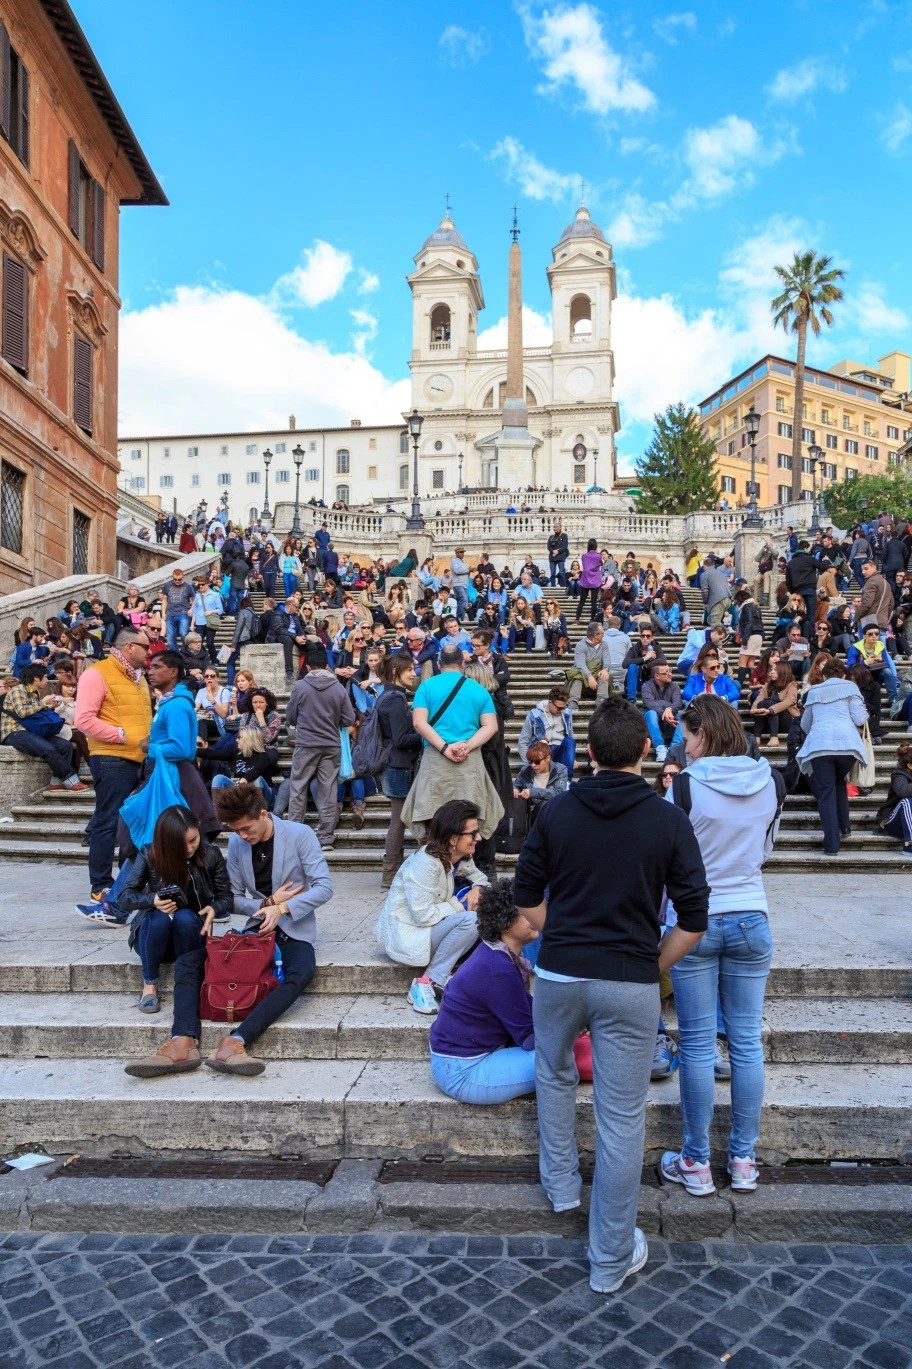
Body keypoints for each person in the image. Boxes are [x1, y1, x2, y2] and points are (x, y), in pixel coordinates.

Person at [513, 699, 709, 1294]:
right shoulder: (668, 819)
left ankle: (562, 1186)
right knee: (621, 1121)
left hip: (561, 974)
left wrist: (564, 939)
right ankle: (608, 1260)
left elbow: (524, 898)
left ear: (589, 752)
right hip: (628, 980)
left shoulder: (557, 811)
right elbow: (694, 918)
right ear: (646, 751)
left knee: (551, 1074)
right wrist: (651, 963)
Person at [125, 784, 333, 1077]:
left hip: (294, 929)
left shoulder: (300, 835)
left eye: (246, 829)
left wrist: (283, 909)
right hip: (254, 929)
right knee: (188, 961)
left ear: (263, 813)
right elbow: (232, 898)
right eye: (235, 832)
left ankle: (235, 1041)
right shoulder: (237, 845)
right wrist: (268, 903)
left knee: (301, 973)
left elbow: (325, 887)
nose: (242, 837)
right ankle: (182, 1040)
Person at [659, 695, 779, 1198]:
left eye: (686, 738)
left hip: (696, 921)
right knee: (748, 1043)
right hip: (753, 913)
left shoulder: (684, 788)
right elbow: (766, 850)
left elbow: (667, 859)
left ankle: (697, 1161)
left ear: (702, 735)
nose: (683, 747)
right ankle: (744, 1159)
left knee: (700, 1045)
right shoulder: (769, 780)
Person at [429, 877, 539, 1103]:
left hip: (460, 1059)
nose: (535, 916)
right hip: (463, 1072)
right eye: (525, 912)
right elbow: (529, 1037)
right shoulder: (498, 969)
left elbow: (525, 1010)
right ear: (505, 924)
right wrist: (571, 1028)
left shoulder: (496, 955)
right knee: (561, 1063)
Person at [375, 798, 489, 1014]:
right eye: (472, 833)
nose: (479, 837)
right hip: (410, 933)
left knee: (485, 911)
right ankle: (426, 982)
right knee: (471, 920)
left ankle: (454, 975)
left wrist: (478, 889)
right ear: (453, 838)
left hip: (432, 927)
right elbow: (423, 916)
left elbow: (481, 878)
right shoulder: (425, 864)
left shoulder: (461, 856)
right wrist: (459, 904)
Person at [120, 805, 232, 1014]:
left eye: (193, 840)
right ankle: (150, 985)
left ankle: (188, 982)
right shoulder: (149, 853)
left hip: (191, 933)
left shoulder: (211, 855)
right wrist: (153, 899)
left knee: (184, 917)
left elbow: (226, 897)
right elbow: (124, 897)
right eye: (181, 845)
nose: (189, 848)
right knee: (159, 918)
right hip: (152, 935)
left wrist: (213, 908)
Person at [73, 628, 153, 919]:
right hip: (111, 759)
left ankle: (127, 882)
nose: (150, 651)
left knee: (133, 824)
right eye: (145, 646)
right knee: (107, 822)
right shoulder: (97, 674)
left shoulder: (139, 678)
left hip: (140, 759)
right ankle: (101, 886)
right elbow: (83, 719)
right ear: (129, 647)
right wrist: (122, 735)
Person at [401, 644, 503, 843]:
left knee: (434, 818)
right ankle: (463, 865)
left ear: (438, 664)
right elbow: (491, 727)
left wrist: (445, 747)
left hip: (436, 757)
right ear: (462, 664)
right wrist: (467, 746)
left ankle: (435, 863)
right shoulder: (479, 690)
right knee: (467, 819)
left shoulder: (426, 687)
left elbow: (418, 722)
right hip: (469, 760)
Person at [797, 657, 868, 855]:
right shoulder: (851, 687)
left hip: (820, 745)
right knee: (839, 781)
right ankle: (844, 826)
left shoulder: (814, 691)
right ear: (843, 674)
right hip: (847, 745)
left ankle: (832, 844)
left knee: (826, 790)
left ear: (823, 674)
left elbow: (805, 723)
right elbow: (860, 718)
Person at [286, 658, 356, 851]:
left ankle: (295, 836)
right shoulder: (339, 688)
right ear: (327, 667)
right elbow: (349, 719)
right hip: (331, 745)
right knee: (328, 790)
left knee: (298, 787)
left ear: (308, 667)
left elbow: (291, 717)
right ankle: (326, 838)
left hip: (306, 744)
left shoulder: (300, 686)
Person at [375, 654, 423, 888]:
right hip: (399, 765)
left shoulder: (389, 695)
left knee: (400, 820)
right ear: (396, 672)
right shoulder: (394, 699)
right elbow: (401, 739)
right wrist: (426, 732)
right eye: (410, 670)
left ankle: (393, 873)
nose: (414, 673)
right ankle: (392, 874)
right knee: (400, 820)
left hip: (396, 764)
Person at [0, 663, 87, 791]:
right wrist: (43, 702)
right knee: (48, 749)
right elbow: (22, 712)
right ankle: (71, 780)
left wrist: (50, 706)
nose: (47, 680)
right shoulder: (18, 690)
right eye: (45, 677)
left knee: (65, 746)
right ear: (36, 678)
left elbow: (35, 713)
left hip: (31, 731)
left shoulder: (34, 692)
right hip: (14, 732)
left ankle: (56, 782)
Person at [516, 685, 575, 770]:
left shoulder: (567, 714)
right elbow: (523, 741)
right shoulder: (535, 715)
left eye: (564, 707)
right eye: (559, 708)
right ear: (550, 702)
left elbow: (570, 736)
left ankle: (567, 781)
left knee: (569, 740)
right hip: (541, 751)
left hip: (560, 750)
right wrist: (530, 763)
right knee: (542, 744)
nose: (562, 711)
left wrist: (573, 759)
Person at [513, 740, 569, 817]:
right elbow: (516, 785)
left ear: (548, 758)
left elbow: (559, 792)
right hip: (530, 810)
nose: (533, 765)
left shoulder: (560, 770)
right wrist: (515, 790)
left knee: (543, 806)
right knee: (517, 802)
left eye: (537, 762)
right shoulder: (525, 770)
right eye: (530, 761)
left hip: (552, 811)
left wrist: (532, 792)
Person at [750, 661, 798, 747]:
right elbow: (758, 699)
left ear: (783, 671)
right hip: (769, 721)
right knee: (762, 703)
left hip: (786, 721)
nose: (771, 672)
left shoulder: (792, 685)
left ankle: (774, 737)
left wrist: (770, 710)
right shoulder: (768, 684)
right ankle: (757, 737)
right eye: (771, 669)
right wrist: (754, 709)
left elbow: (787, 702)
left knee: (769, 703)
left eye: (775, 670)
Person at [875, 742, 912, 853]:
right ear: (910, 765)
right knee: (907, 801)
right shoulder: (899, 775)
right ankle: (909, 844)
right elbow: (903, 791)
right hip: (892, 820)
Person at [641, 662, 682, 763]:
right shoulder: (647, 686)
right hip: (651, 722)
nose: (670, 674)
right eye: (667, 672)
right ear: (657, 676)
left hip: (670, 722)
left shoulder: (674, 686)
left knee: (682, 715)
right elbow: (649, 703)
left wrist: (669, 710)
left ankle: (674, 747)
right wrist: (665, 712)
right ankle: (660, 747)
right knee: (651, 713)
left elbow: (678, 702)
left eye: (670, 671)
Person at [567, 622, 615, 708]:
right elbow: (580, 664)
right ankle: (573, 701)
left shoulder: (604, 644)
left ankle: (602, 701)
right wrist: (589, 676)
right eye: (602, 633)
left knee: (603, 675)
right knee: (577, 677)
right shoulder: (581, 645)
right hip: (584, 673)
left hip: (597, 672)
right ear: (595, 635)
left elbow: (607, 660)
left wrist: (605, 669)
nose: (604, 635)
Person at [160, 568, 195, 651]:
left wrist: (191, 609)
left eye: (179, 579)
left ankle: (187, 653)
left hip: (183, 613)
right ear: (172, 577)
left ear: (183, 577)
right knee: (170, 638)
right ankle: (176, 657)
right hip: (170, 614)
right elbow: (164, 600)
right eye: (175, 579)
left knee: (183, 634)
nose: (177, 581)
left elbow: (194, 600)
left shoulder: (188, 587)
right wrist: (163, 613)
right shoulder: (167, 585)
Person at [575, 538, 603, 622]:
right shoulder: (599, 556)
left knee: (582, 601)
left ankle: (577, 618)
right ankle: (592, 619)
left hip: (585, 579)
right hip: (595, 579)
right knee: (593, 601)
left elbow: (584, 564)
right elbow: (601, 563)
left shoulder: (584, 556)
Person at [699, 558, 732, 628]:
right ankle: (724, 633)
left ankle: (721, 637)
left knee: (714, 624)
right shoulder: (720, 573)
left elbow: (704, 591)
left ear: (704, 566)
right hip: (728, 599)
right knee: (711, 620)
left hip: (718, 600)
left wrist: (705, 602)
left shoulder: (704, 575)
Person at [547, 522, 569, 588]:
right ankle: (553, 586)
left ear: (560, 527)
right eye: (554, 527)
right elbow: (548, 546)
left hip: (561, 557)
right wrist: (552, 551)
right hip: (552, 557)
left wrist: (558, 551)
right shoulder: (551, 537)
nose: (555, 528)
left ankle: (563, 586)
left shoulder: (564, 536)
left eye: (556, 527)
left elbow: (565, 546)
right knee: (552, 573)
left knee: (562, 573)